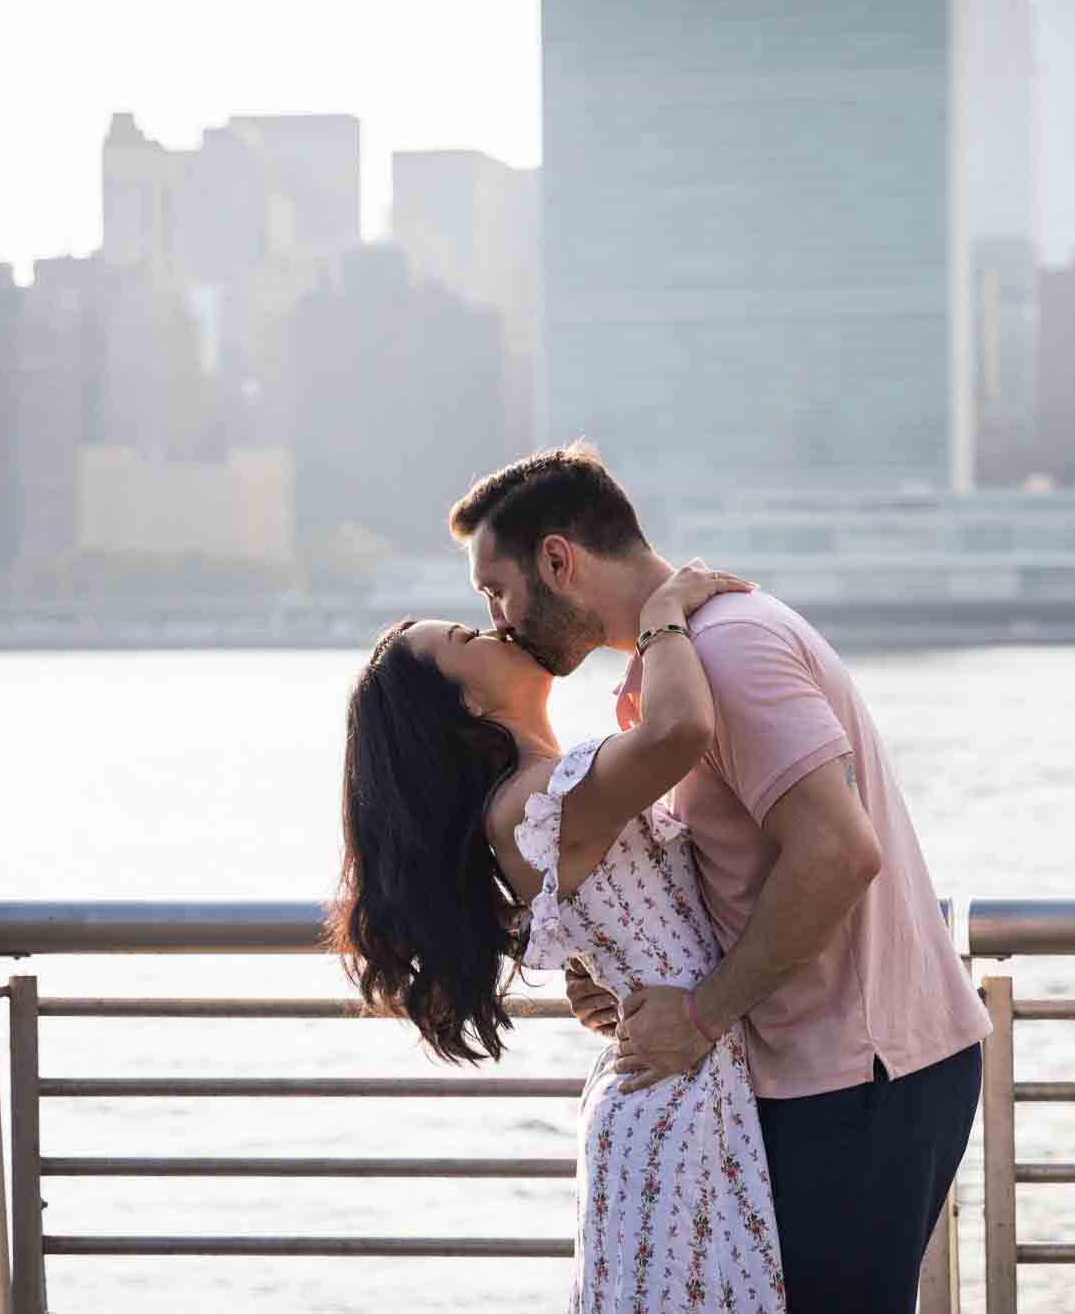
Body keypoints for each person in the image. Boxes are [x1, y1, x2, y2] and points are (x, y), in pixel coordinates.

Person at [449, 442, 990, 1313]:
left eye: (495, 592)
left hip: (860, 1078)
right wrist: (628, 982)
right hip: (821, 1072)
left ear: (559, 560)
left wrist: (700, 1011)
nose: (498, 620)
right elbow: (733, 867)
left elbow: (838, 852)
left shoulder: (729, 650)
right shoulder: (673, 673)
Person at [333, 559, 790, 1312]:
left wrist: (606, 977)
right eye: (464, 635)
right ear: (467, 702)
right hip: (670, 1107)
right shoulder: (531, 803)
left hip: (681, 1086)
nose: (493, 628)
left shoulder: (538, 793)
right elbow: (681, 728)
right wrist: (663, 613)